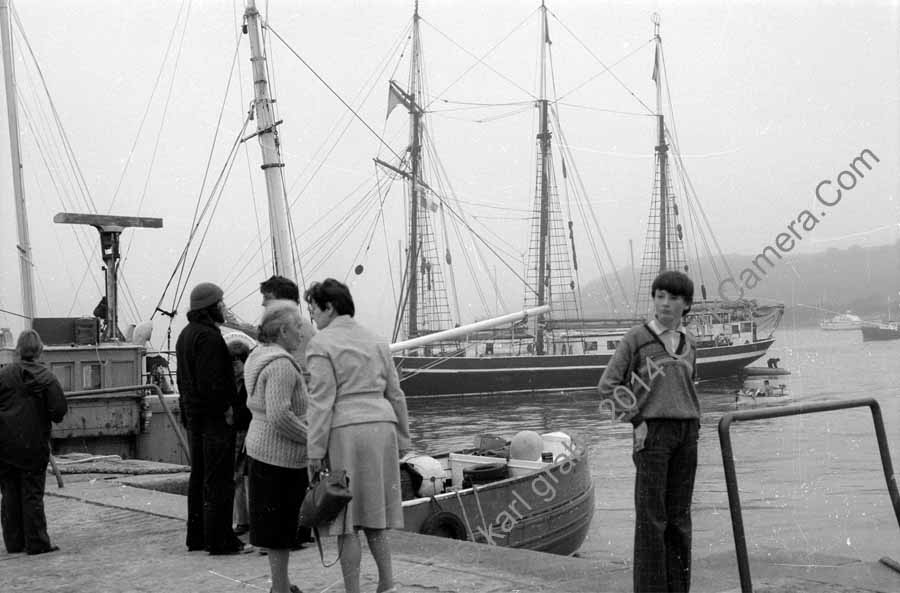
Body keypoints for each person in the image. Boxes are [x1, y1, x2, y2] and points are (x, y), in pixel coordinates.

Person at [596, 270, 700, 593]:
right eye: (660, 296)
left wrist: (694, 426)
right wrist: (636, 420)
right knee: (651, 521)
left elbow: (688, 386)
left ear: (686, 305)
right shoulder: (636, 338)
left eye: (673, 298)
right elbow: (608, 385)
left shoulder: (689, 344)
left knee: (679, 520)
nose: (665, 303)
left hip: (687, 434)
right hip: (652, 434)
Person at [305, 278, 410, 593]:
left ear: (329, 307)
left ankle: (354, 590)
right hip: (382, 428)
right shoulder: (376, 340)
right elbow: (396, 394)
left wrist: (314, 451)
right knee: (376, 517)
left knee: (346, 521)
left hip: (346, 432)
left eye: (314, 310)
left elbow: (321, 402)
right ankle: (387, 584)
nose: (313, 317)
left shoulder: (321, 344)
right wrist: (403, 438)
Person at [176, 282, 250, 555]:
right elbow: (213, 383)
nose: (224, 307)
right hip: (214, 420)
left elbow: (185, 381)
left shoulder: (185, 335)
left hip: (195, 419)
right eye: (220, 303)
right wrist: (228, 411)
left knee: (199, 478)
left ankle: (197, 536)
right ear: (210, 307)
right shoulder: (209, 337)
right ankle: (220, 540)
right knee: (219, 480)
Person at [244, 300, 313, 593]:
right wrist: (312, 438)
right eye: (297, 326)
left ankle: (281, 584)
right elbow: (280, 415)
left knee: (274, 529)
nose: (302, 332)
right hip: (279, 457)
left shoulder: (257, 355)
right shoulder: (282, 365)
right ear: (283, 331)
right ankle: (281, 588)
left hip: (259, 450)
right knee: (282, 528)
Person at [0, 329, 68, 555]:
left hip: (5, 445)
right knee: (32, 494)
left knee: (9, 493)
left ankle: (14, 543)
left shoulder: (4, 374)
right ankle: (37, 543)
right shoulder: (47, 378)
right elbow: (58, 411)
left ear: (18, 349)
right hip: (33, 443)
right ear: (39, 350)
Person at [227, 339, 253, 537]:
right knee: (237, 477)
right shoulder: (238, 383)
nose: (233, 367)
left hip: (245, 431)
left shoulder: (247, 382)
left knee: (243, 477)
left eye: (236, 363)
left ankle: (246, 520)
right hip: (238, 431)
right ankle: (243, 519)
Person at [223, 275, 301, 338]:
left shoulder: (296, 330)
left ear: (283, 301)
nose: (263, 303)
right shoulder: (275, 327)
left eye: (268, 298)